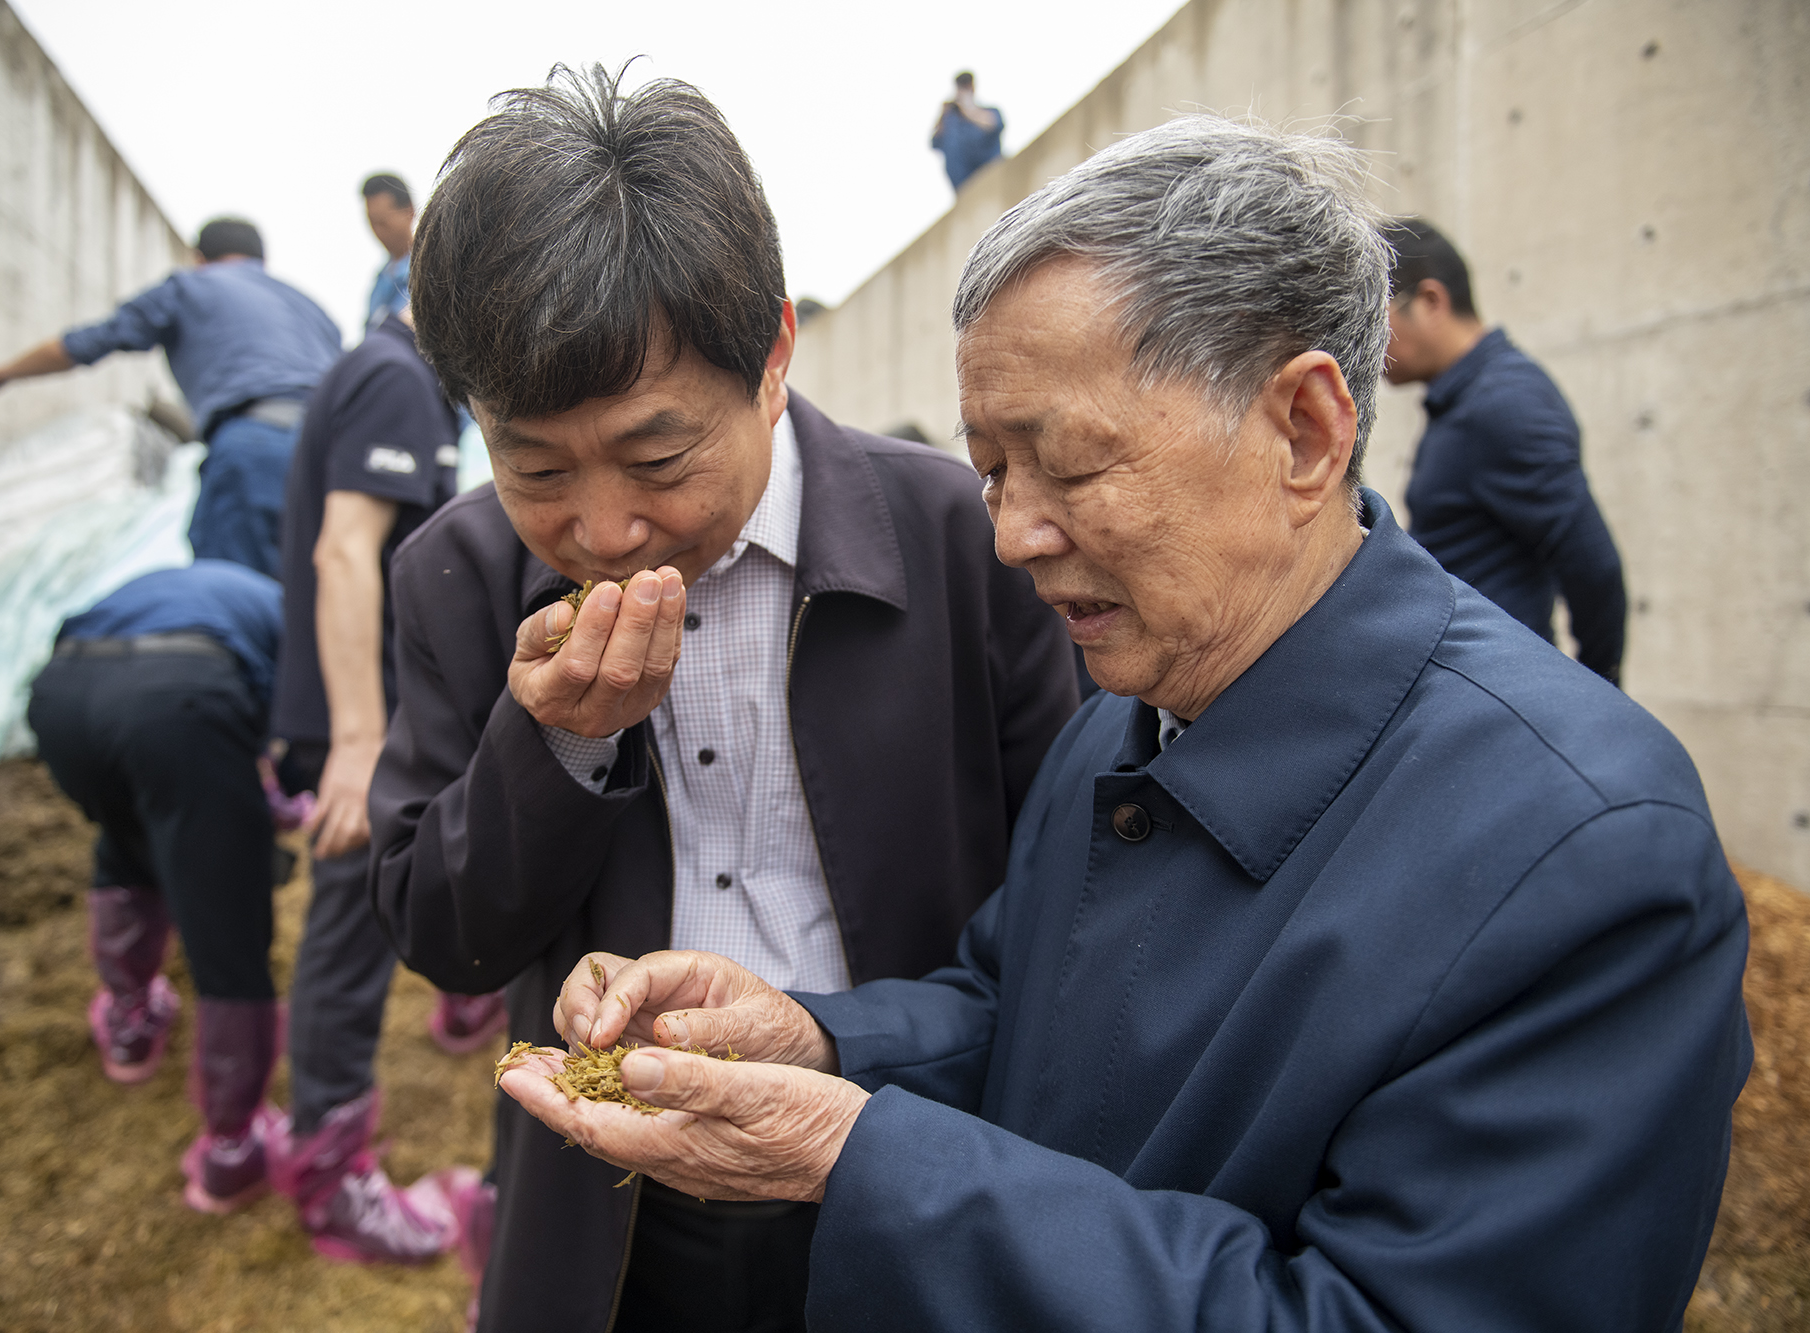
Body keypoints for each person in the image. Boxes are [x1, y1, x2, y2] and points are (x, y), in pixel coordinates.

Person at [498, 116, 1753, 1333]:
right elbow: (1017, 1008)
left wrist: (861, 1155)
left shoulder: (1581, 853)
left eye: (1072, 466)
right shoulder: (1127, 724)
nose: (1009, 534)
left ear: (1303, 430)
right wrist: (820, 1037)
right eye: (990, 468)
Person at [373, 64, 1079, 1333]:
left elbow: (1070, 905)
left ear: (771, 357)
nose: (601, 525)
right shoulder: (457, 575)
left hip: (906, 1153)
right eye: (532, 467)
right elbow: (444, 934)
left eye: (658, 456)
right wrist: (555, 747)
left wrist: (842, 1038)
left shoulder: (961, 540)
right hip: (617, 1200)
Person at [267, 301, 502, 1264]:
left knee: (365, 927)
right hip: (356, 726)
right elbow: (342, 548)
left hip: (360, 716)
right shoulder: (398, 377)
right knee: (346, 942)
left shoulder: (391, 380)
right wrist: (360, 741)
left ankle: (330, 1142)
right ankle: (330, 1181)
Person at [24, 561, 296, 1214]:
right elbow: (302, 743)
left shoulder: (210, 588)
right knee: (225, 917)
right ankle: (234, 1145)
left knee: (128, 839)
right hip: (178, 703)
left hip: (61, 699)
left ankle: (129, 1021)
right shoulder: (302, 621)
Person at [0, 218, 341, 578]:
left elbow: (88, 343)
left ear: (198, 257)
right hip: (340, 452)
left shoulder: (188, 286)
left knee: (232, 596)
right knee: (332, 595)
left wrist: (1, 373)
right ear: (260, 260)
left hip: (258, 445)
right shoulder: (311, 307)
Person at [1381, 218, 1628, 683]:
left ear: (1431, 301)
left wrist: (1598, 695)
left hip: (1497, 684)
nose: (1370, 342)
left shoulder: (1504, 402)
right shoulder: (1465, 399)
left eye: (1376, 318)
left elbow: (1593, 566)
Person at [931, 71, 1004, 191]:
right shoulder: (952, 123)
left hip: (993, 180)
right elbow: (935, 141)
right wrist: (943, 115)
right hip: (965, 188)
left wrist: (967, 109)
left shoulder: (988, 111)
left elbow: (993, 125)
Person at [360, 174, 415, 334]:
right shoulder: (382, 277)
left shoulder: (431, 270)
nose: (378, 232)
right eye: (372, 223)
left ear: (410, 211)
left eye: (383, 223)